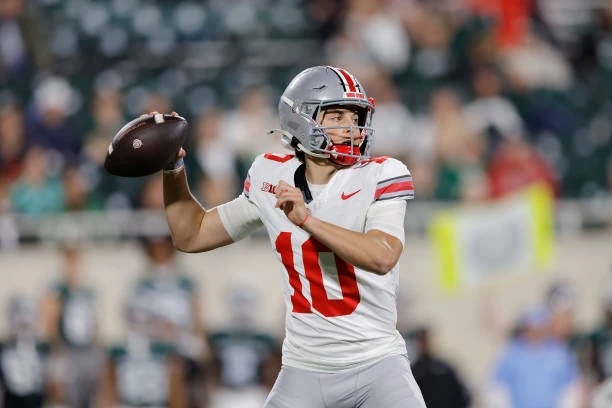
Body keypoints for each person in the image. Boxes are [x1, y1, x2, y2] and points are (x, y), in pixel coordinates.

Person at [160, 65, 425, 407]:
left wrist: (307, 220)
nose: (352, 128)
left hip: (377, 363)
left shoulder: (382, 174)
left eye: (356, 117)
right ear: (301, 119)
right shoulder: (271, 174)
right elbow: (191, 234)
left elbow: (382, 255)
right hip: (304, 370)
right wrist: (173, 168)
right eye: (337, 116)